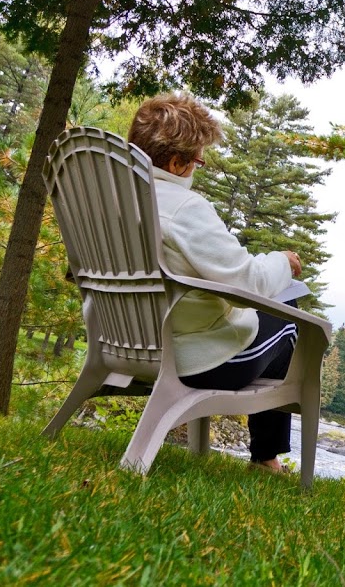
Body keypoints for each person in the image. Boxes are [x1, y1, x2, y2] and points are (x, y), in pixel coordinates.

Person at [128, 92, 303, 472]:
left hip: (124, 341)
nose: (197, 168)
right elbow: (251, 281)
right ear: (175, 163)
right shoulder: (180, 206)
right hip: (190, 357)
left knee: (275, 307)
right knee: (289, 312)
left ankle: (264, 455)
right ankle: (265, 458)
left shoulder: (111, 197)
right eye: (196, 160)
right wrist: (284, 263)